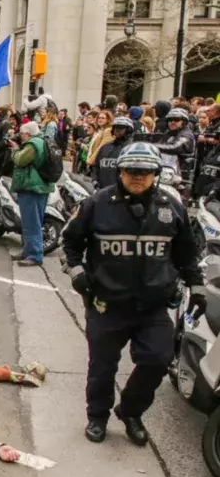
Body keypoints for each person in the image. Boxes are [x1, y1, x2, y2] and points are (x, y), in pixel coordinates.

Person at [62, 143, 205, 446]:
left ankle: (130, 411)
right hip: (106, 304)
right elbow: (70, 244)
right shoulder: (97, 204)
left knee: (158, 359)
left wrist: (198, 286)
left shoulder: (172, 207)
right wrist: (77, 275)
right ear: (120, 171)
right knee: (102, 367)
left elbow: (186, 254)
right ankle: (97, 417)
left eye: (145, 172)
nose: (138, 177)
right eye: (131, 171)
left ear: (156, 174)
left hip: (153, 305)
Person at [7, 122, 55, 266]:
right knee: (31, 222)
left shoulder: (33, 144)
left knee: (32, 223)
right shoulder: (42, 141)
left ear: (28, 134)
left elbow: (20, 160)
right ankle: (28, 250)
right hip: (38, 187)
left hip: (32, 188)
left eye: (21, 134)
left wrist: (15, 150)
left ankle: (34, 255)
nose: (20, 137)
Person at [91, 116, 135, 190]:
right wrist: (95, 180)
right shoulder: (105, 147)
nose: (117, 130)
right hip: (101, 190)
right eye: (115, 127)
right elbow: (96, 165)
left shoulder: (131, 149)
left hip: (121, 193)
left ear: (128, 130)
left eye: (121, 128)